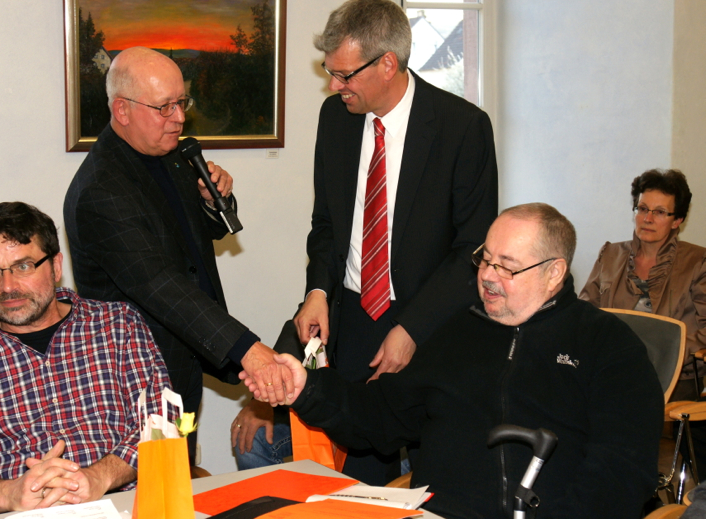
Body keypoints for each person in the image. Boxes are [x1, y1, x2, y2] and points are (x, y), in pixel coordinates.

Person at [245, 203, 663, 519]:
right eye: (486, 259)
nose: (488, 276)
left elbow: (621, 471)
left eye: (507, 267)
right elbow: (379, 416)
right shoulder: (458, 333)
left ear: (554, 273)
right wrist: (307, 388)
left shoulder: (607, 345)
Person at [232, 0, 497, 484]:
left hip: (431, 329)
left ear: (387, 64)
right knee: (358, 483)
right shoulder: (336, 119)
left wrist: (411, 329)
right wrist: (317, 291)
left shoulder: (462, 127)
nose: (335, 85)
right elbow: (325, 224)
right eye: (330, 72)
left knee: (431, 481)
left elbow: (473, 251)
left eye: (344, 74)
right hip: (353, 321)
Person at [64, 47, 293, 456]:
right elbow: (159, 283)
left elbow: (192, 239)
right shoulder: (100, 190)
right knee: (151, 486)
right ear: (122, 110)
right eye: (164, 107)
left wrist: (212, 201)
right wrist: (245, 349)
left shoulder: (168, 155)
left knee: (180, 477)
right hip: (133, 384)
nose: (179, 118)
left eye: (181, 102)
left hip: (181, 365)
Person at [0, 202, 171, 519]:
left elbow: (163, 423)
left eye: (23, 266)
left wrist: (99, 477)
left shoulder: (118, 325)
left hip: (122, 506)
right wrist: (10, 493)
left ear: (56, 266)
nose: (7, 286)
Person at [580, 168, 706, 399]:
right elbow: (584, 315)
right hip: (611, 372)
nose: (647, 219)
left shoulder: (698, 262)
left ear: (677, 220)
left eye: (660, 212)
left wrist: (667, 354)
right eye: (643, 209)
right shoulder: (610, 254)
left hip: (673, 379)